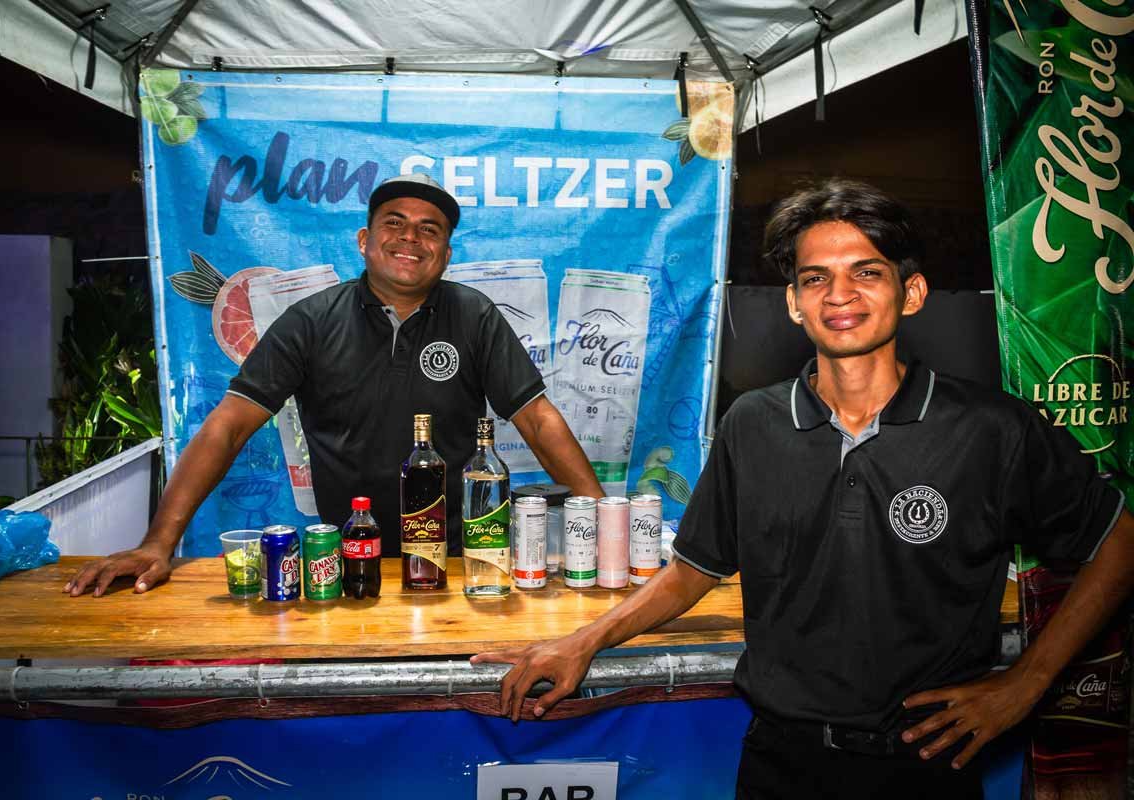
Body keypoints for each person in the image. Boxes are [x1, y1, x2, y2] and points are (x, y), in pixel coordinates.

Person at [472, 179, 1134, 799]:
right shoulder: (753, 423)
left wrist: (1027, 683)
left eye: (866, 272)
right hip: (780, 761)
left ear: (911, 293)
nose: (838, 294)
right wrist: (583, 641)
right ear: (793, 302)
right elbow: (694, 570)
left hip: (928, 761)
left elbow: (1119, 541)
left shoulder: (991, 429)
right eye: (816, 277)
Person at [66, 173, 603, 596]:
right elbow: (228, 425)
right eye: (395, 223)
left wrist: (601, 521)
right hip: (347, 558)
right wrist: (158, 544)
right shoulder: (312, 320)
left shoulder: (474, 315)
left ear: (446, 254)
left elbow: (538, 418)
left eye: (430, 229)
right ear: (365, 241)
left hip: (463, 562)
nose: (411, 237)